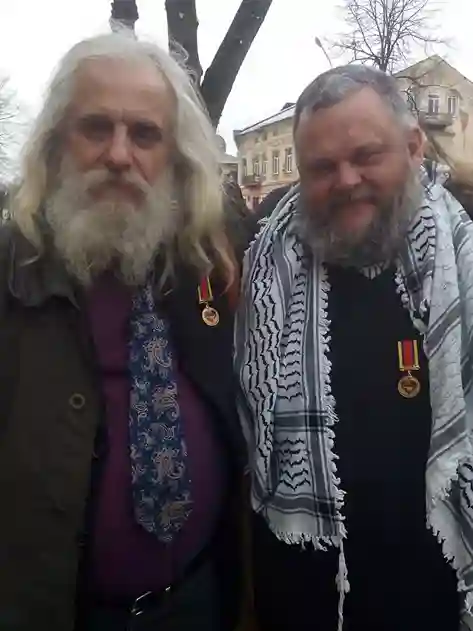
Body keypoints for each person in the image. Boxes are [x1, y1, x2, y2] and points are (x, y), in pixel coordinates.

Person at [0, 32, 254, 631]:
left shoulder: (212, 263)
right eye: (96, 128)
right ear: (56, 143)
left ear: (175, 157)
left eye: (145, 134)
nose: (119, 155)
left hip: (200, 599)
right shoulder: (11, 273)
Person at [235, 65, 473, 631]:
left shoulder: (461, 260)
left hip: (433, 601)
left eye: (367, 155)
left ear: (413, 147)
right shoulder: (258, 267)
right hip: (301, 601)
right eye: (322, 167)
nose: (345, 181)